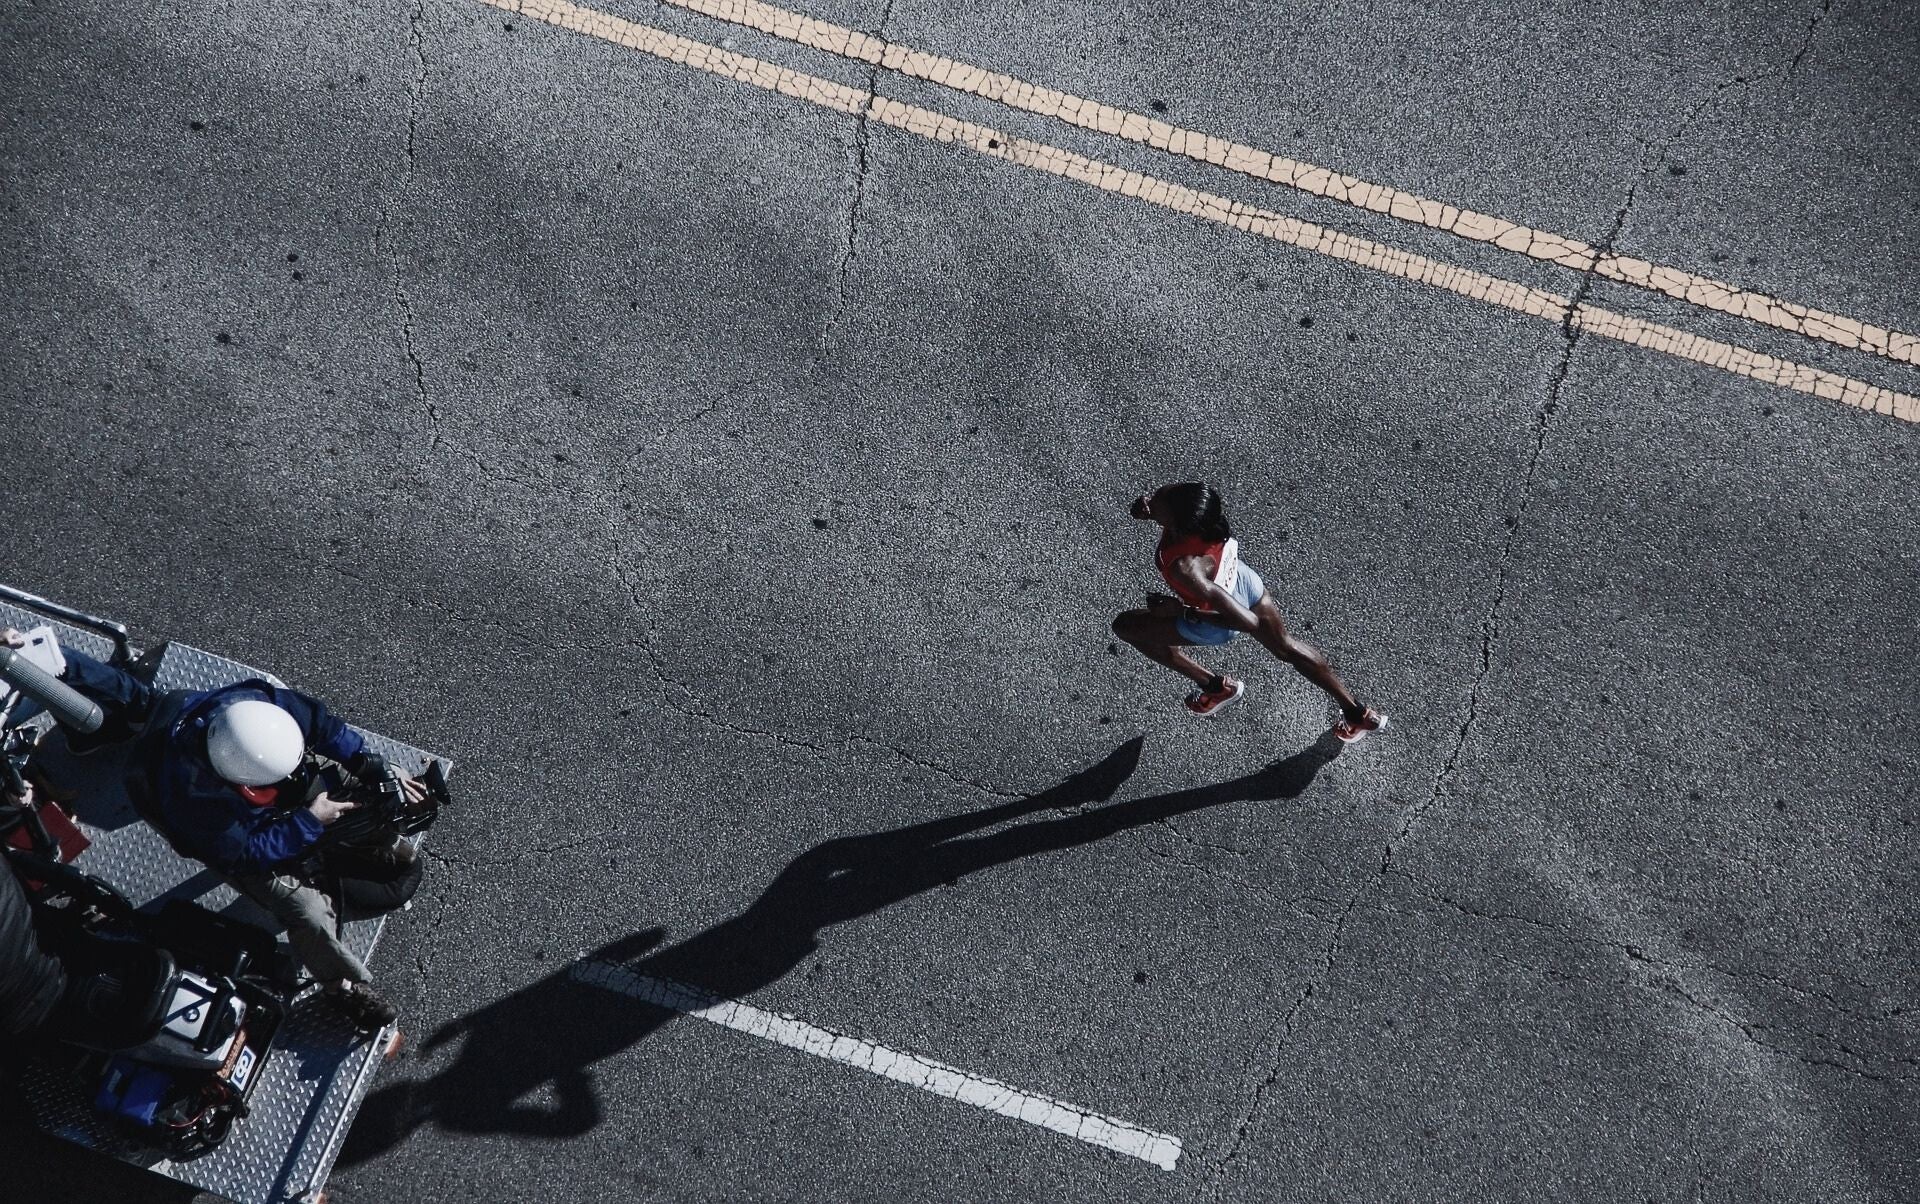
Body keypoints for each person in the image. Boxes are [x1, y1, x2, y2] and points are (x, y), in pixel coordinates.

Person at [1, 628, 424, 1029]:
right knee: (308, 913)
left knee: (361, 812)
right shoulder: (192, 797)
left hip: (231, 759)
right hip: (237, 838)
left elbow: (321, 725)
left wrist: (367, 763)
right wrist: (307, 822)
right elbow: (245, 854)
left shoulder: (261, 712)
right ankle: (342, 984)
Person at [1111, 483, 1387, 740]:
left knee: (1126, 627)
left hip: (1218, 617)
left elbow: (1246, 622)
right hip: (1245, 583)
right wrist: (1153, 513)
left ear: (1179, 524)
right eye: (1156, 495)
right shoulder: (1205, 517)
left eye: (1156, 502)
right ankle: (1358, 713)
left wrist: (1182, 611)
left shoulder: (1186, 569)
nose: (1148, 500)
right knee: (1287, 647)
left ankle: (1216, 688)